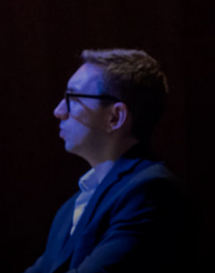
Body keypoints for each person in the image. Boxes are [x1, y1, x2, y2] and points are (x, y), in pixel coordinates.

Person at [25, 49, 187, 273]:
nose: (59, 111)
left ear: (115, 117)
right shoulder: (71, 207)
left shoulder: (150, 192)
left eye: (73, 98)